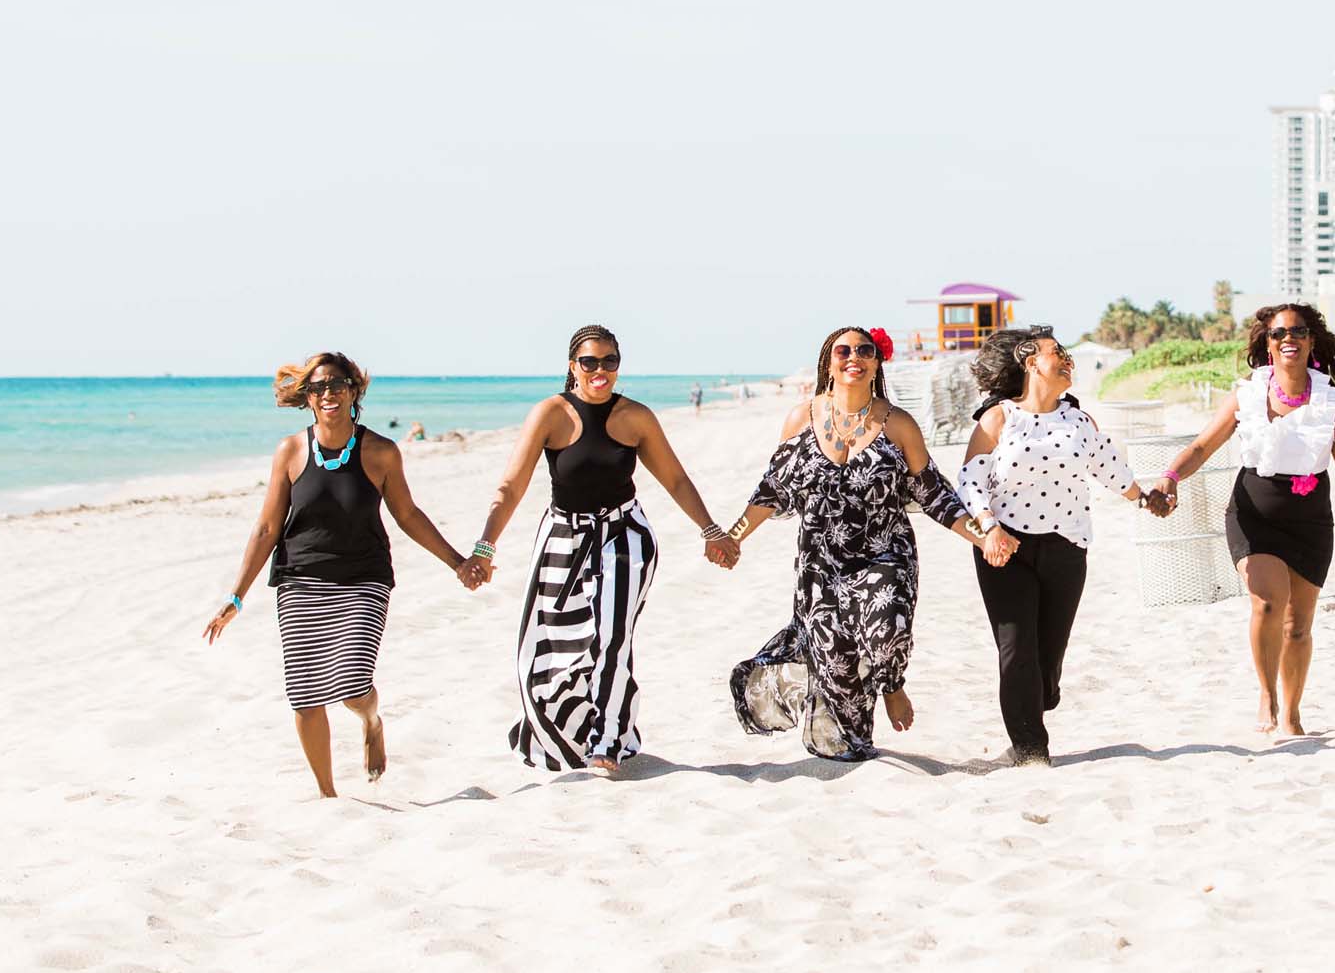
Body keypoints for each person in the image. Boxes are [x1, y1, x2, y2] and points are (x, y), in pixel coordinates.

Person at [720, 325, 1011, 762]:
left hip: (885, 554)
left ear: (876, 363)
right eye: (844, 350)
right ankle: (854, 746)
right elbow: (772, 490)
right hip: (820, 565)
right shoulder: (802, 418)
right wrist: (733, 537)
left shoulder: (898, 424)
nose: (853, 357)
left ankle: (892, 684)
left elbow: (935, 495)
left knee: (887, 631)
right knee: (836, 660)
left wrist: (984, 534)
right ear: (828, 362)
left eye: (864, 351)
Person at [463, 326, 738, 778]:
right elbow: (511, 485)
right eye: (590, 362)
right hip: (561, 538)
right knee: (543, 648)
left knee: (612, 638)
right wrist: (484, 547)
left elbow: (676, 480)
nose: (600, 371)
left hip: (624, 536)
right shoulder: (550, 414)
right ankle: (568, 731)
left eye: (610, 361)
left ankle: (608, 738)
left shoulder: (636, 417)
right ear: (573, 365)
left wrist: (711, 531)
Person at [203, 352, 475, 796]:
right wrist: (235, 598)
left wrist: (458, 562)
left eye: (336, 384)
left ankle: (371, 720)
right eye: (317, 387)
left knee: (350, 684)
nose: (327, 393)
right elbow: (269, 527)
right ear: (307, 398)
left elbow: (407, 514)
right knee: (306, 697)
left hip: (364, 578)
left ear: (353, 390)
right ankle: (328, 794)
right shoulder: (290, 451)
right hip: (299, 581)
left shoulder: (381, 452)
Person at [1152, 305, 1335, 737]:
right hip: (1253, 513)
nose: (1287, 339)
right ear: (1268, 342)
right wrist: (1170, 477)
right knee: (1268, 601)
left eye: (1297, 331)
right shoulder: (1248, 394)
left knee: (1298, 627)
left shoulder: (1332, 401)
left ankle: (1292, 712)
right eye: (1278, 334)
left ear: (1311, 341)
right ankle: (1267, 693)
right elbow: (1202, 446)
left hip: (1311, 520)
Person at [956, 327, 1168, 766]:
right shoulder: (998, 418)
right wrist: (989, 527)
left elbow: (1112, 469)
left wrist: (1144, 498)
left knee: (1047, 661)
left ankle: (1038, 698)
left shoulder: (1078, 422)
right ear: (1031, 361)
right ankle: (1031, 750)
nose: (1068, 360)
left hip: (1066, 548)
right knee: (1017, 651)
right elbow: (970, 481)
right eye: (1060, 354)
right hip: (1006, 548)